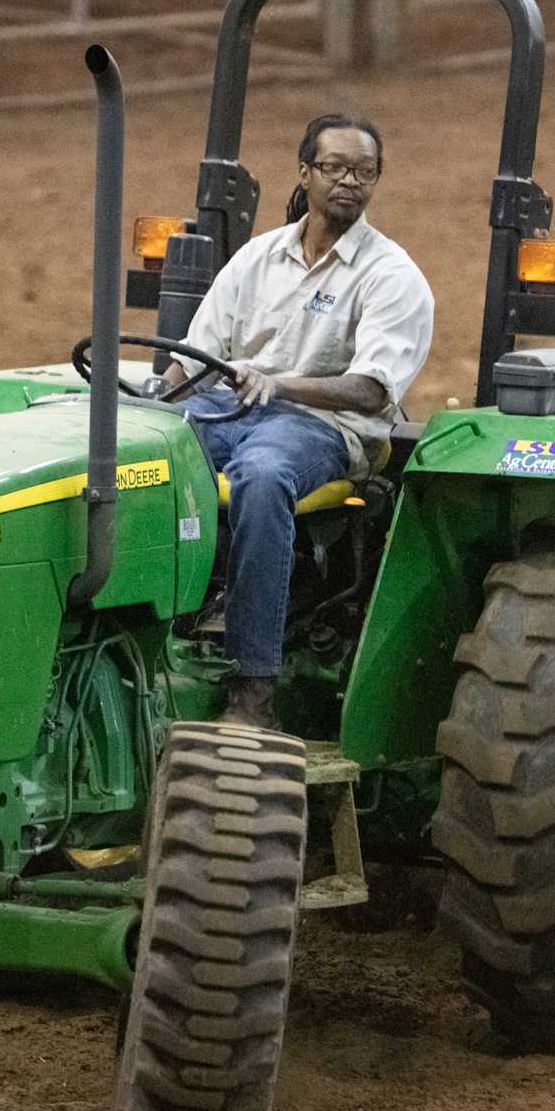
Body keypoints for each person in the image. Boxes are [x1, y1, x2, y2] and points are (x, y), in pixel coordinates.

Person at [158, 113, 435, 727]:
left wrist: (278, 383)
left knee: (262, 474)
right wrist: (154, 402)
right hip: (233, 406)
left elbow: (370, 391)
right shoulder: (258, 258)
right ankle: (163, 623)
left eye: (364, 172)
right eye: (334, 168)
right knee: (147, 455)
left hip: (322, 426)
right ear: (304, 173)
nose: (349, 182)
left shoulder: (390, 276)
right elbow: (192, 360)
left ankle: (253, 689)